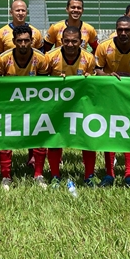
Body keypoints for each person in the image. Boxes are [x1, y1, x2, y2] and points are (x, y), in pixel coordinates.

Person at [0, 25, 49, 190]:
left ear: (32, 40)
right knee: (6, 139)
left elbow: (46, 85)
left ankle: (38, 174)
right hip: (10, 106)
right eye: (20, 41)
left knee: (39, 138)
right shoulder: (3, 59)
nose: (23, 44)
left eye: (26, 40)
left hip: (34, 106)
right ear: (14, 42)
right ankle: (6, 177)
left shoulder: (41, 59)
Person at [94, 16, 130, 188]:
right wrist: (108, 77)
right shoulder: (104, 47)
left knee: (129, 132)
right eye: (120, 29)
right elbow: (97, 70)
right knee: (109, 132)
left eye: (127, 30)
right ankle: (109, 174)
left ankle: (129, 175)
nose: (123, 33)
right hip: (109, 95)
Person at [42, 25, 95, 188]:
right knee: (55, 138)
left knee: (87, 139)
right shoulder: (50, 57)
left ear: (81, 41)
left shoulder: (89, 58)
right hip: (56, 105)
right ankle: (55, 176)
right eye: (67, 41)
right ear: (61, 41)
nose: (70, 44)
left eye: (74, 41)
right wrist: (54, 80)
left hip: (80, 106)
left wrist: (89, 78)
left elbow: (93, 84)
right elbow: (40, 82)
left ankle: (89, 176)